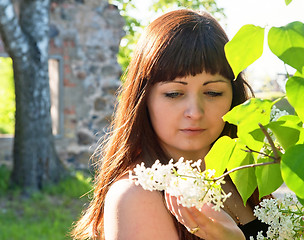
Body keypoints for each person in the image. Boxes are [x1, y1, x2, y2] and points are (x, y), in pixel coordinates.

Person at [71, 9, 269, 240]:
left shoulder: (241, 173)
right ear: (144, 99)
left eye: (213, 92)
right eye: (174, 93)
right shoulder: (137, 196)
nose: (195, 112)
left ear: (233, 99)